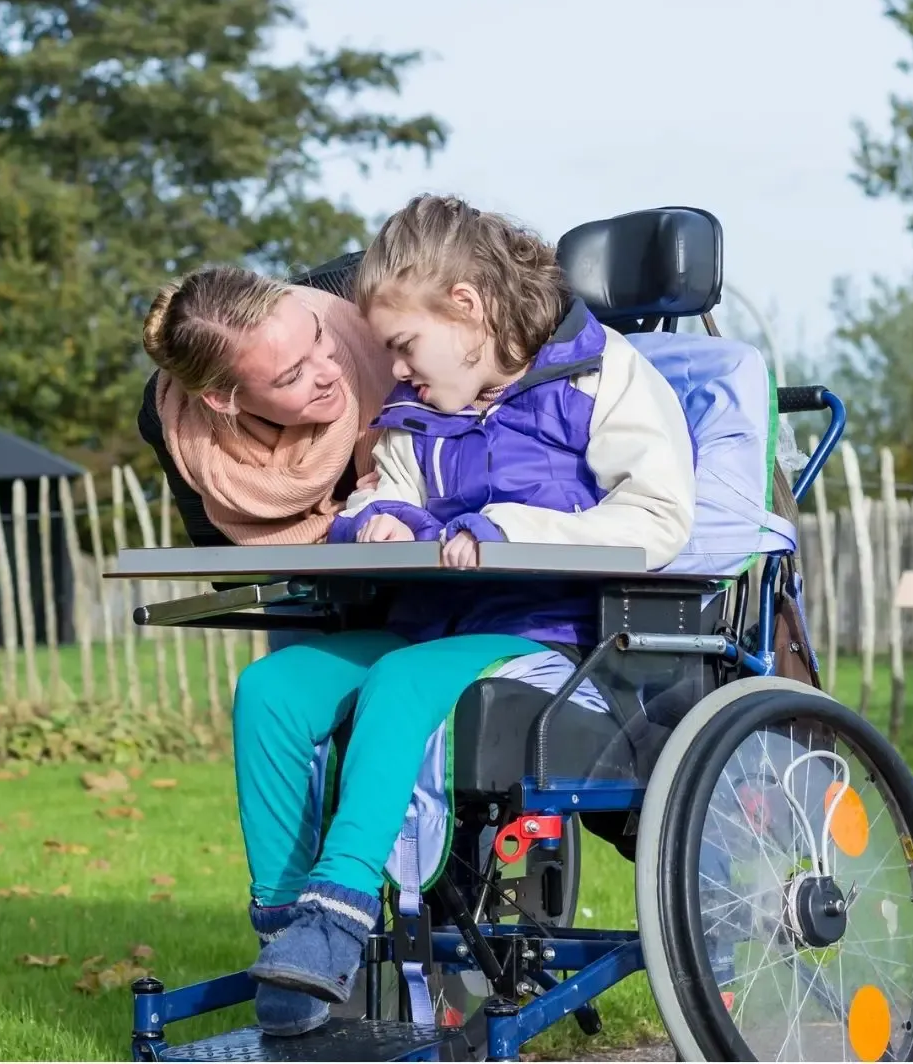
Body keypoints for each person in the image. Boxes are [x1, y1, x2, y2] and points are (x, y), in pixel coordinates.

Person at [233, 194, 699, 1035]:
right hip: (432, 629)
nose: (396, 369)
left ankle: (337, 919)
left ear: (467, 307)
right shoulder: (417, 412)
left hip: (555, 646)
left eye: (404, 345)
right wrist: (379, 520)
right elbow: (389, 496)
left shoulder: (603, 378)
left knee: (404, 680)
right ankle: (288, 935)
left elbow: (659, 520)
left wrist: (507, 528)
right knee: (273, 690)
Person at [138, 263, 396, 550]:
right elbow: (225, 565)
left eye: (318, 335)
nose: (333, 372)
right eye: (293, 376)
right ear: (223, 400)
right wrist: (356, 520)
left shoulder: (375, 287)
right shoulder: (171, 420)